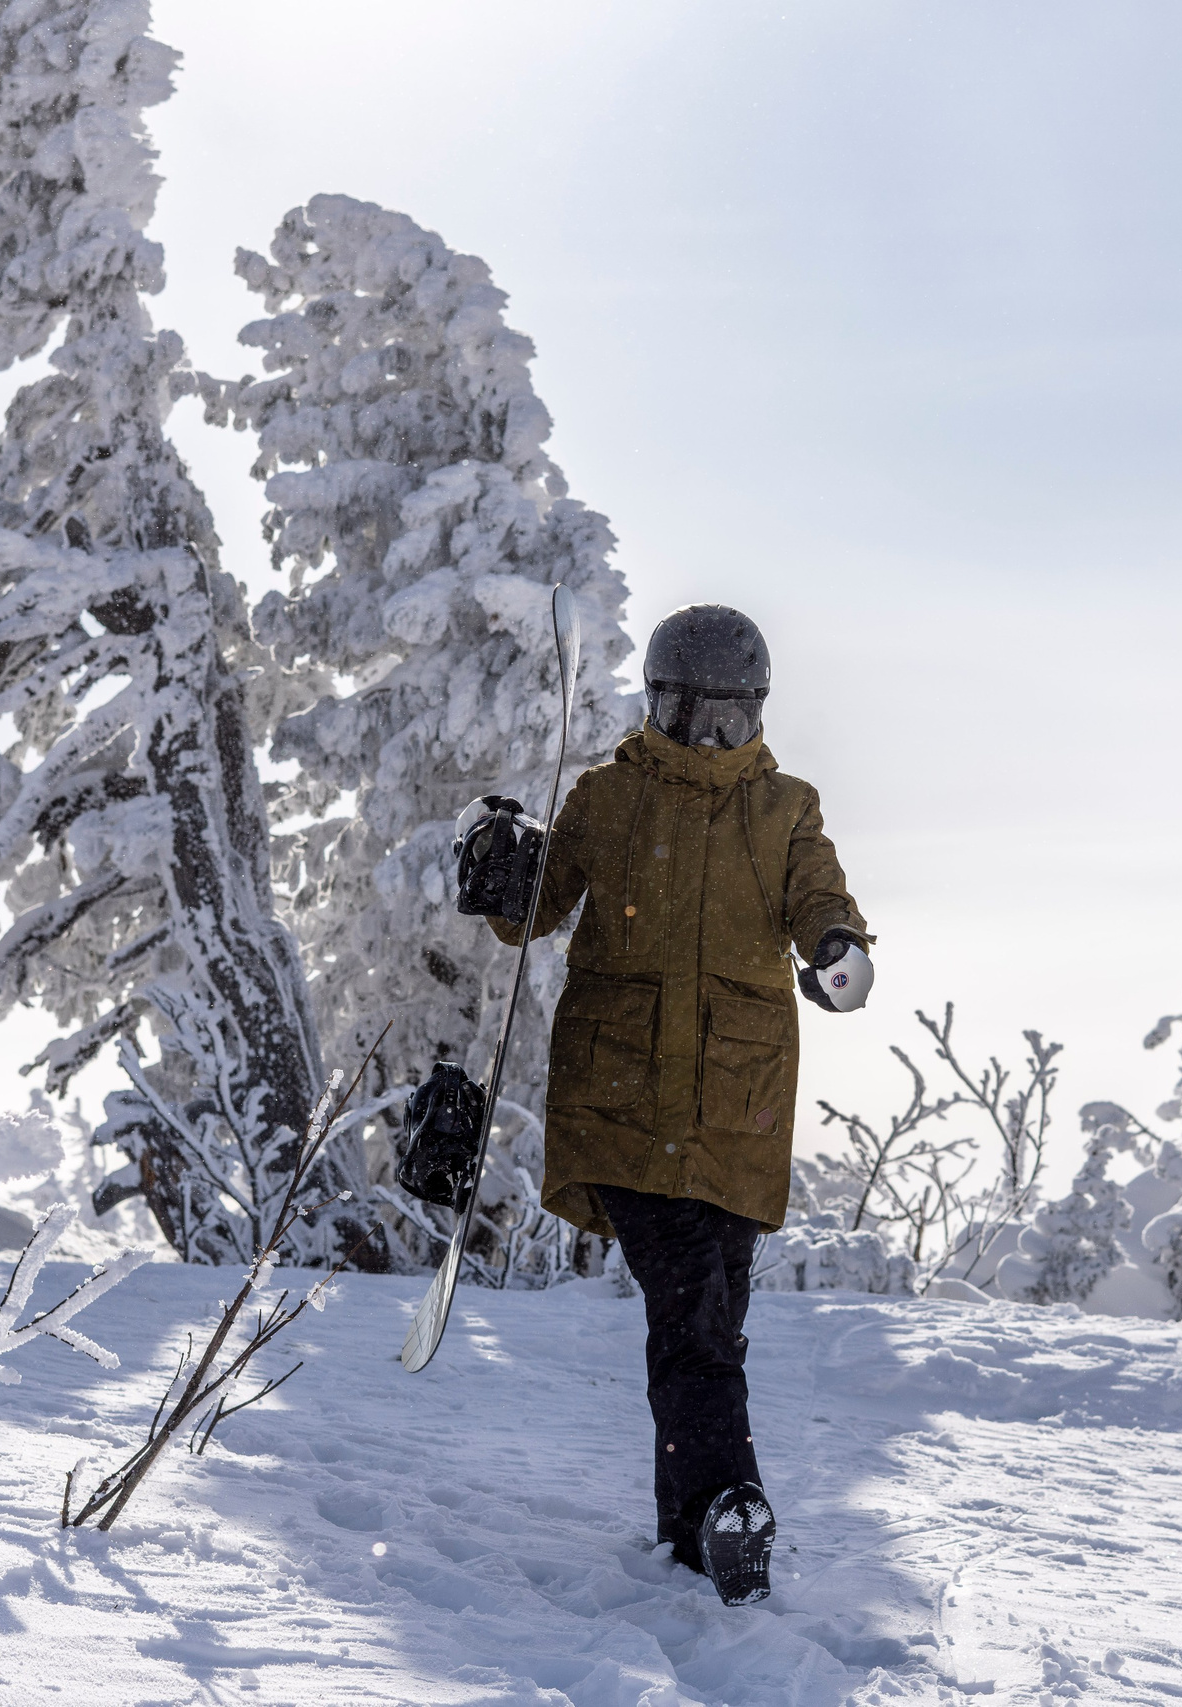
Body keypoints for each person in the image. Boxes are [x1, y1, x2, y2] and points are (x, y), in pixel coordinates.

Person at [465, 603, 872, 1606]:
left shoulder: (785, 807)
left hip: (736, 1107)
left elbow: (818, 895)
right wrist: (502, 867)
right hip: (626, 1102)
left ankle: (688, 1542)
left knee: (708, 1329)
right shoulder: (609, 798)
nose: (709, 735)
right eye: (692, 711)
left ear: (755, 713)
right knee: (691, 1314)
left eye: (731, 717)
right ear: (659, 701)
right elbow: (534, 916)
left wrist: (835, 949)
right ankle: (733, 1505)